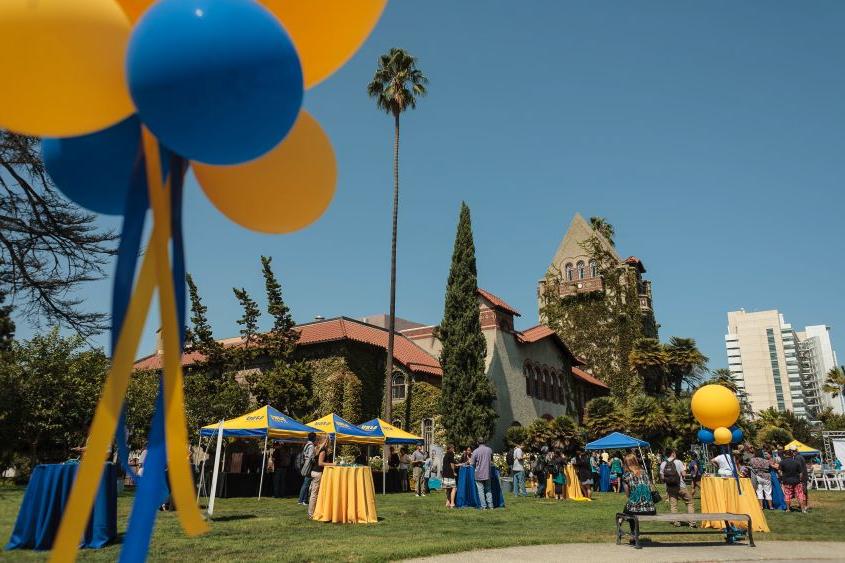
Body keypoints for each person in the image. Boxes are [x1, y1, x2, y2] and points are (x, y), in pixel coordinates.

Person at [621, 453, 656, 540]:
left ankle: (633, 535)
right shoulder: (645, 473)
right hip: (651, 509)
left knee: (629, 509)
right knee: (629, 509)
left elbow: (628, 495)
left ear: (625, 463)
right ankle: (632, 533)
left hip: (636, 510)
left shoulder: (626, 476)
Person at [660, 449, 695, 526]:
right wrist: (684, 469)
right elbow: (684, 474)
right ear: (672, 453)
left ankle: (676, 522)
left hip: (670, 487)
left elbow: (662, 478)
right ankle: (692, 522)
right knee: (689, 502)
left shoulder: (663, 463)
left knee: (673, 505)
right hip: (680, 486)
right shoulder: (678, 462)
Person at [307, 434, 334, 519]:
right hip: (318, 473)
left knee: (314, 493)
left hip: (314, 472)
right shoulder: (322, 450)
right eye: (329, 440)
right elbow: (320, 463)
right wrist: (333, 464)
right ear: (326, 441)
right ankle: (311, 514)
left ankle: (314, 512)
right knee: (314, 494)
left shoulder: (317, 448)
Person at [779, 446, 807, 513]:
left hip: (787, 481)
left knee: (787, 495)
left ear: (785, 455)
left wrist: (782, 478)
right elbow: (800, 473)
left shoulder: (782, 462)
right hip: (797, 481)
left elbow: (780, 472)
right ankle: (803, 509)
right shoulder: (797, 462)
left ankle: (788, 509)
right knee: (800, 495)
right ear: (791, 455)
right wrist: (800, 480)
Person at [470, 437, 494, 510]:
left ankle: (484, 506)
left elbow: (472, 463)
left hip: (479, 473)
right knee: (488, 489)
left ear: (477, 442)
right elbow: (492, 460)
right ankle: (491, 506)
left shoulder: (475, 451)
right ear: (484, 442)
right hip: (487, 473)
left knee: (481, 491)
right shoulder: (489, 450)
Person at [297, 433, 317, 506]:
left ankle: (303, 500)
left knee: (306, 483)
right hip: (309, 466)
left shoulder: (307, 444)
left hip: (306, 464)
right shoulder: (311, 446)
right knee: (306, 483)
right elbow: (311, 457)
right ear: (314, 438)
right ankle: (302, 500)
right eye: (315, 437)